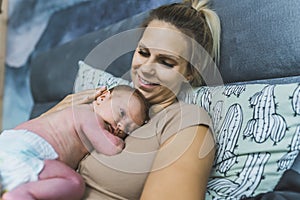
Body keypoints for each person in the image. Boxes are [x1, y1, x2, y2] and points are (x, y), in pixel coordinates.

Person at [41, 0, 219, 199]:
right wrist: (50, 117)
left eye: (166, 62)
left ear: (190, 73)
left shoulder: (185, 121)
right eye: (143, 53)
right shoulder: (104, 103)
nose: (146, 69)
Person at [0, 85, 149, 200]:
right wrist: (120, 142)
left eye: (129, 128)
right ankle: (21, 195)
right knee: (74, 182)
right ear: (102, 97)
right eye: (121, 114)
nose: (121, 127)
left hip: (11, 145)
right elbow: (111, 147)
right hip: (28, 149)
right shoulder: (88, 116)